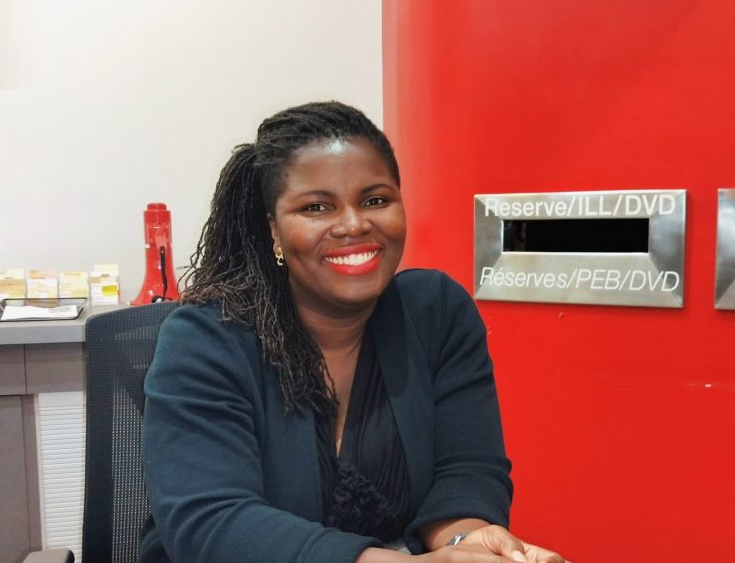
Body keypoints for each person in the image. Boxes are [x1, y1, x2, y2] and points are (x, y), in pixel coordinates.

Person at [139, 101, 567, 563]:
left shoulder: (438, 313)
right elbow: (213, 522)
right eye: (316, 207)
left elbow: (465, 469)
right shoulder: (207, 338)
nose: (354, 224)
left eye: (376, 199)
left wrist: (464, 542)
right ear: (274, 233)